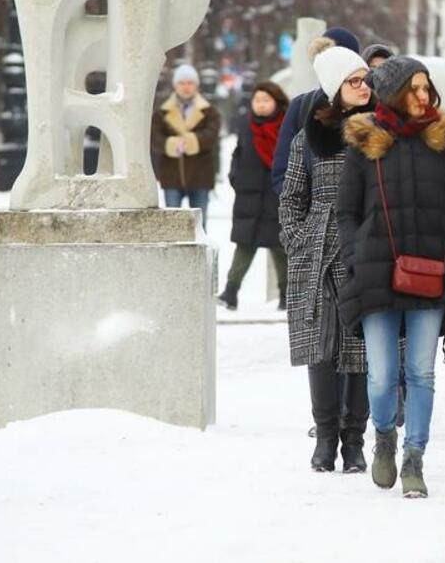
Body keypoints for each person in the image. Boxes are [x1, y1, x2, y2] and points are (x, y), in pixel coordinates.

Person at [338, 57, 445, 499]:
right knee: (381, 375)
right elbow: (346, 211)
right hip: (376, 272)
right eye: (414, 88)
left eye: (426, 87)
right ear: (393, 94)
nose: (423, 95)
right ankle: (383, 436)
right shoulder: (366, 141)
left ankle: (414, 457)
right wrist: (357, 254)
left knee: (421, 373)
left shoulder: (442, 140)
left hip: (432, 272)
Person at [280, 47, 373, 474]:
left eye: (366, 79)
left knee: (361, 348)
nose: (364, 87)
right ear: (335, 87)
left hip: (365, 253)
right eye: (354, 81)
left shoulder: (380, 132)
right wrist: (297, 239)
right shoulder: (309, 137)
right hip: (316, 253)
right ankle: (325, 435)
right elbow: (291, 197)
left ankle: (354, 440)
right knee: (320, 347)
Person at [218, 81, 289, 311]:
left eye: (266, 100)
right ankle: (230, 293)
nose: (261, 104)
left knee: (279, 247)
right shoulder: (246, 125)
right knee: (244, 245)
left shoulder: (286, 125)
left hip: (276, 196)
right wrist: (236, 178)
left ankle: (286, 295)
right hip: (248, 196)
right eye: (257, 100)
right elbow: (238, 153)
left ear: (276, 102)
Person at [270, 26, 361, 196]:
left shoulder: (368, 105)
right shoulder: (302, 105)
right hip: (313, 209)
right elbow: (282, 171)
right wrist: (303, 206)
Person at [152, 63, 222, 227]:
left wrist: (191, 142)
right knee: (172, 225)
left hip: (200, 176)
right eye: (182, 83)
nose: (186, 87)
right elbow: (155, 138)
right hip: (171, 175)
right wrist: (172, 144)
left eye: (190, 83)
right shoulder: (162, 112)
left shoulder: (209, 112)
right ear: (175, 85)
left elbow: (211, 135)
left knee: (199, 225)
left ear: (196, 85)